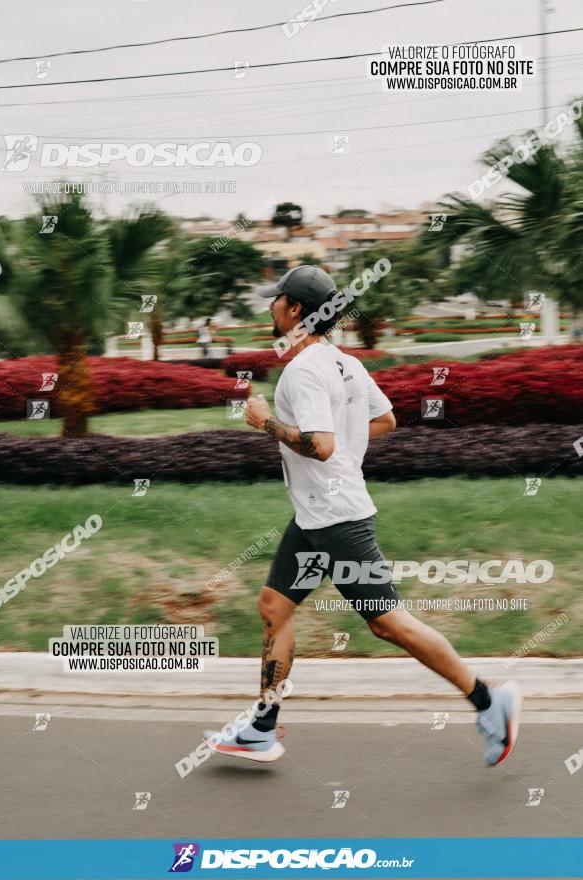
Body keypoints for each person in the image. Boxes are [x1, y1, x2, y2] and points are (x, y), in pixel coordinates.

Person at [203, 265, 521, 766]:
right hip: (314, 518)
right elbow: (385, 419)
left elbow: (321, 445)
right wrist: (342, 448)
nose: (270, 307)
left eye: (277, 299)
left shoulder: (304, 370)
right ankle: (261, 727)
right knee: (273, 607)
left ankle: (488, 699)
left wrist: (267, 423)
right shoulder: (344, 363)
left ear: (296, 310)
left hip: (338, 520)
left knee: (387, 623)